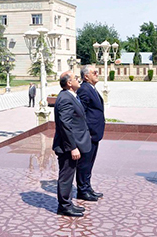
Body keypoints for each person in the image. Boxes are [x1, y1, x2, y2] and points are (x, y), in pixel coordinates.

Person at [53, 70, 91, 217]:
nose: (78, 80)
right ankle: (64, 206)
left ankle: (68, 203)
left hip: (71, 144)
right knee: (66, 177)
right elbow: (65, 125)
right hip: (66, 147)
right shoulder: (65, 98)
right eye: (76, 78)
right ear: (69, 83)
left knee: (68, 176)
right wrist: (73, 147)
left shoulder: (70, 95)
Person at [76, 65, 105, 201]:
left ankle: (87, 187)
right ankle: (82, 190)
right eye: (94, 72)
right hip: (89, 134)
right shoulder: (84, 89)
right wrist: (85, 132)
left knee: (90, 163)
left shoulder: (91, 88)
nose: (97, 74)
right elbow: (81, 113)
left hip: (95, 133)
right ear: (86, 76)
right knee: (84, 163)